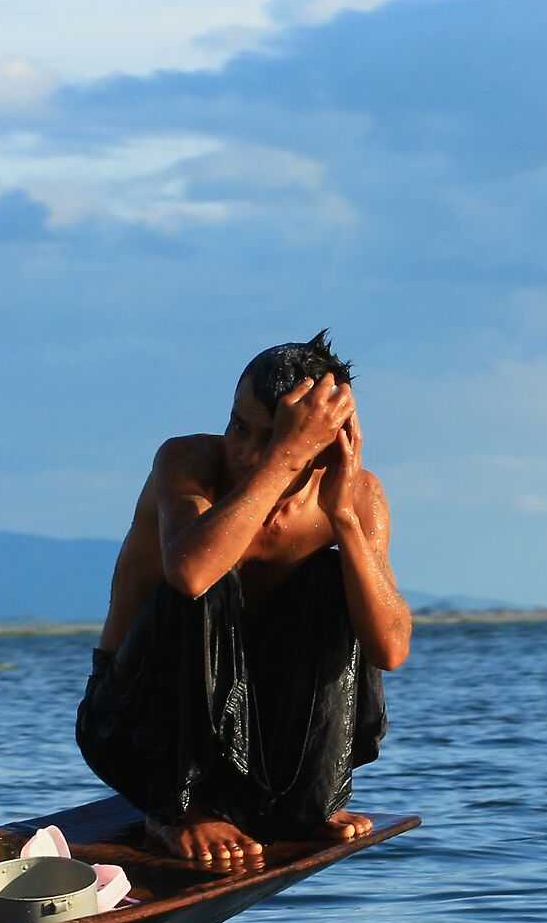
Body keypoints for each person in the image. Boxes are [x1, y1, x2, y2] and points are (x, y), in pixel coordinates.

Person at [77, 331, 411, 871]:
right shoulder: (187, 463)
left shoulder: (359, 496)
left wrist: (345, 519)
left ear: (328, 442)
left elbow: (391, 649)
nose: (246, 453)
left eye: (273, 437)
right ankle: (179, 811)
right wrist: (281, 458)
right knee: (210, 569)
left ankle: (305, 804)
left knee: (336, 575)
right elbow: (189, 575)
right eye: (239, 427)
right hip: (132, 729)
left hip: (252, 736)